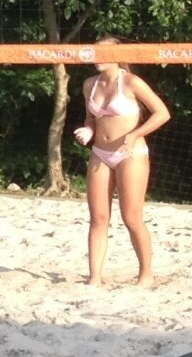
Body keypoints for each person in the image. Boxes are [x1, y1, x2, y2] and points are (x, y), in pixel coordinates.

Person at [73, 37, 171, 286]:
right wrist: (88, 131)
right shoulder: (89, 85)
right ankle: (94, 278)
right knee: (98, 218)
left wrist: (135, 134)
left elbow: (162, 113)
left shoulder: (130, 82)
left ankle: (146, 274)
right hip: (100, 153)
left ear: (117, 55)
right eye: (94, 51)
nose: (95, 56)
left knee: (131, 217)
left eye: (101, 52)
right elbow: (90, 119)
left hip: (131, 154)